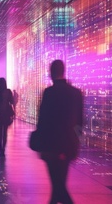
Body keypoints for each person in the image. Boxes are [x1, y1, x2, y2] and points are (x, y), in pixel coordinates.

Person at [37, 60, 83, 204]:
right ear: (64, 71)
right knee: (59, 185)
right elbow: (80, 123)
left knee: (58, 186)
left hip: (51, 146)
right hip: (68, 145)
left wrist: (40, 142)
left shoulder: (49, 93)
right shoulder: (76, 93)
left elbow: (43, 120)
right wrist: (74, 141)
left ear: (51, 72)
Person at [0, 78, 14, 157]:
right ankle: (3, 148)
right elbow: (12, 101)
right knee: (5, 132)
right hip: (6, 114)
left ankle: (0, 147)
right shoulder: (8, 91)